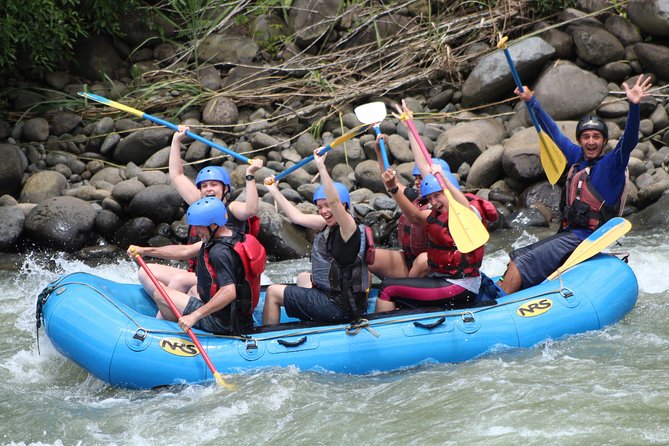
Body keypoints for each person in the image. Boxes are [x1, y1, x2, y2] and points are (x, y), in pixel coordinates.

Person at [497, 74, 652, 294]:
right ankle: (504, 291)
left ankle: (499, 309)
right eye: (586, 137)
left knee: (518, 263)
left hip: (584, 239)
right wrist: (532, 101)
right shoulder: (577, 157)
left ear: (604, 141)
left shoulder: (611, 166)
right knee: (518, 256)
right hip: (567, 235)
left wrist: (634, 107)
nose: (591, 141)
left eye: (596, 137)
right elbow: (553, 132)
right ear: (580, 140)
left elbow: (628, 142)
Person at [128, 125, 263, 295]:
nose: (208, 189)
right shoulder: (199, 203)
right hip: (199, 274)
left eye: (214, 185)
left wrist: (250, 176)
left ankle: (174, 307)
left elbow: (250, 209)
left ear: (226, 189)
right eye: (204, 186)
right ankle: (173, 302)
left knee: (181, 282)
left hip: (223, 278)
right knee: (145, 273)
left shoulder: (232, 208)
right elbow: (177, 175)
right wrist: (176, 141)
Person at [261, 148, 373, 326]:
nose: (323, 211)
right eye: (319, 207)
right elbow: (297, 217)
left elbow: (335, 202)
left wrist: (321, 167)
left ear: (343, 205)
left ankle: (266, 339)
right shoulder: (329, 225)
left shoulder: (348, 228)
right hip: (343, 300)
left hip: (339, 307)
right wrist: (274, 191)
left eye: (327, 206)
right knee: (303, 277)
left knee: (273, 292)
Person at [375, 165, 498, 312]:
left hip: (460, 286)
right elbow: (414, 216)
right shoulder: (436, 215)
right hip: (442, 279)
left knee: (387, 288)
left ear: (449, 191)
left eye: (437, 195)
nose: (433, 203)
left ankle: (383, 332)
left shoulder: (467, 216)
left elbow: (463, 204)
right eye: (429, 198)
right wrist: (393, 188)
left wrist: (444, 178)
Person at [134, 197, 254, 335]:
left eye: (199, 225)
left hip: (223, 322)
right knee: (189, 290)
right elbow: (184, 251)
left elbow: (229, 292)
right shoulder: (232, 235)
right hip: (238, 317)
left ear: (214, 225)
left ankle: (168, 335)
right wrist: (145, 251)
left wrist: (194, 316)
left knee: (160, 295)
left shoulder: (219, 252)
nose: (196, 231)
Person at [369, 133, 461, 278]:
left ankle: (406, 294)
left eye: (421, 178)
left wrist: (393, 188)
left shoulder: (448, 207)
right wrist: (380, 152)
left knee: (423, 260)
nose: (417, 182)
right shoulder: (416, 197)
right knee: (367, 256)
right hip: (410, 262)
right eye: (416, 178)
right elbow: (392, 184)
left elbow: (416, 217)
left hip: (434, 267)